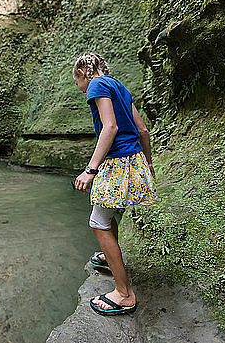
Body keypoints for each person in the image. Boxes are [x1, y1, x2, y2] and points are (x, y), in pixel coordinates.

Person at [72, 53, 157, 316]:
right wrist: (150, 164)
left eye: (76, 80)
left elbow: (110, 128)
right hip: (134, 160)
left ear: (84, 72)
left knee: (97, 224)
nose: (78, 86)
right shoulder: (119, 86)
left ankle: (124, 294)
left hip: (117, 162)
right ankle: (112, 261)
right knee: (108, 216)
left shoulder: (97, 85)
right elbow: (142, 130)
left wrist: (90, 170)